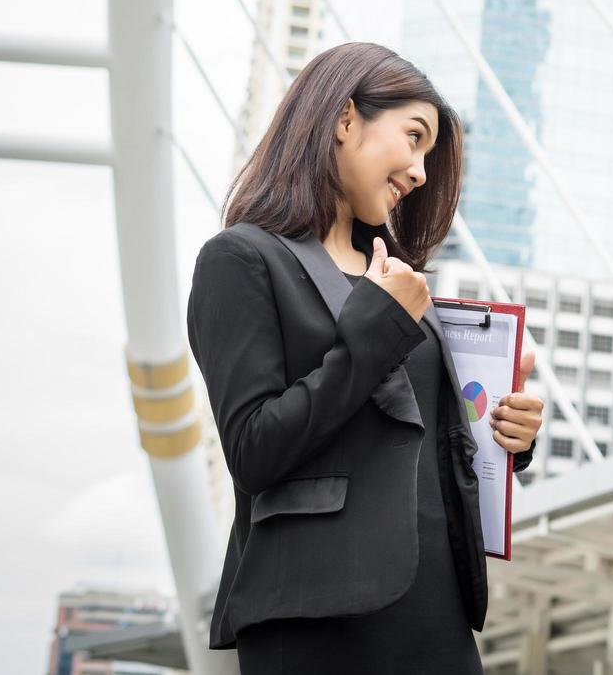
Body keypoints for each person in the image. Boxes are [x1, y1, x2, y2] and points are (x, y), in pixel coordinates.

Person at [187, 42, 543, 673]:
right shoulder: (242, 260)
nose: (421, 172)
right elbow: (252, 450)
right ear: (346, 119)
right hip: (316, 610)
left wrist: (508, 434)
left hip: (437, 603)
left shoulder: (402, 280)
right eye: (413, 137)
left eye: (428, 154)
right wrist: (378, 326)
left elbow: (422, 437)